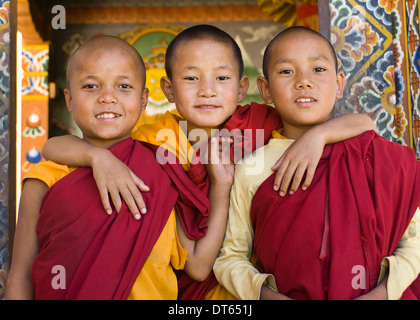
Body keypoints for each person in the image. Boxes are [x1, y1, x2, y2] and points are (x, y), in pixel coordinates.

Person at [40, 25, 376, 299]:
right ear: (168, 90)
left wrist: (316, 137)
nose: (207, 91)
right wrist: (96, 156)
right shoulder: (154, 140)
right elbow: (53, 147)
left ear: (243, 88)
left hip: (259, 279)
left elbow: (364, 123)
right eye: (191, 79)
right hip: (191, 287)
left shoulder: (264, 123)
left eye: (222, 78)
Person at [5, 35, 232, 299]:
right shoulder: (45, 179)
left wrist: (222, 186)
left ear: (144, 99)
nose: (108, 98)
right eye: (91, 86)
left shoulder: (162, 171)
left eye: (124, 86)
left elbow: (198, 264)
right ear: (68, 100)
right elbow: (20, 276)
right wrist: (97, 157)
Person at [213, 26, 420, 300]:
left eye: (318, 70)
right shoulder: (253, 167)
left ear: (339, 83)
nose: (304, 81)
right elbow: (230, 258)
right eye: (286, 71)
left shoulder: (378, 156)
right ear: (265, 90)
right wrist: (265, 295)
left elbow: (414, 242)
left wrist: (382, 294)